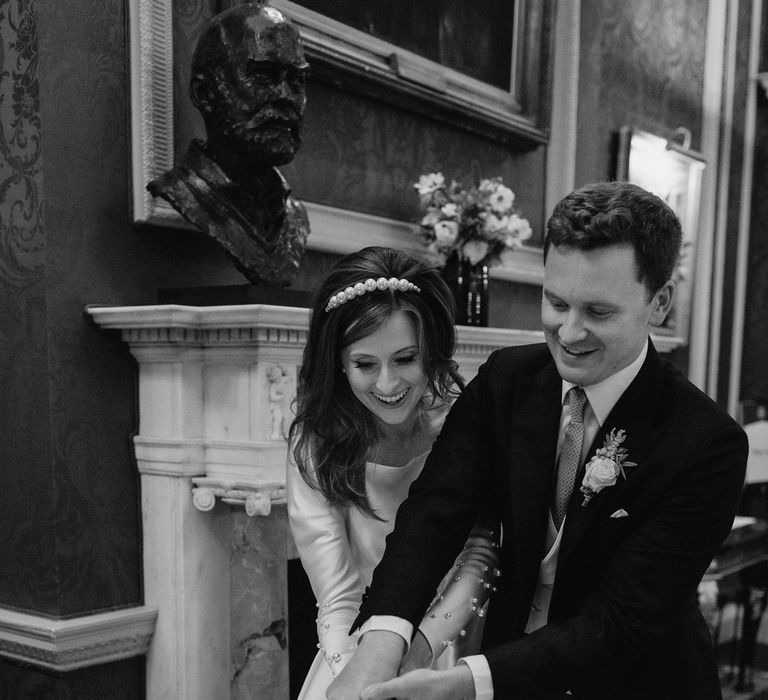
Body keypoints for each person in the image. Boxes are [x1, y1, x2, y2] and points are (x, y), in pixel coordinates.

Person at [329, 182, 749, 699]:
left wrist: (469, 682)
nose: (568, 333)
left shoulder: (707, 443)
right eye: (555, 302)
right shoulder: (506, 379)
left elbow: (622, 621)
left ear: (658, 302)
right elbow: (435, 514)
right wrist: (381, 645)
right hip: (504, 656)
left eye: (598, 312)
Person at [286, 246, 500, 699]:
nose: (387, 384)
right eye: (366, 364)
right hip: (354, 645)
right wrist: (363, 675)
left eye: (405, 359)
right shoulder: (315, 442)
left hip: (451, 642)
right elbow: (337, 595)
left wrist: (416, 654)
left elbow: (480, 556)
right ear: (340, 364)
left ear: (431, 353)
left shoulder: (461, 423)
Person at [147, 2, 310, 287]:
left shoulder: (295, 218)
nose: (286, 96)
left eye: (296, 81)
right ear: (205, 94)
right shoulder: (182, 192)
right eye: (262, 75)